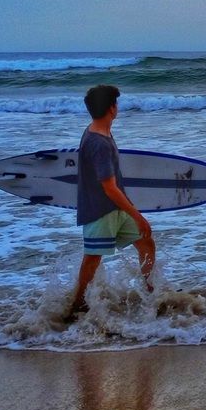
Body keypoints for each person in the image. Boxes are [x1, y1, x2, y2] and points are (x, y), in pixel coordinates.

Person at [67, 84, 155, 320]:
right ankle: (77, 304)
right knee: (93, 258)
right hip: (100, 210)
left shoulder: (100, 131)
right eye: (116, 103)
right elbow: (109, 187)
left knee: (146, 242)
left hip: (115, 207)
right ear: (112, 108)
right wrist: (137, 215)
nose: (118, 107)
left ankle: (150, 291)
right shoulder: (99, 143)